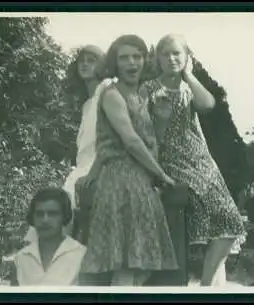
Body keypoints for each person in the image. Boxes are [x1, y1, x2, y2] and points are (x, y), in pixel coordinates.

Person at [138, 33, 247, 286]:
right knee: (190, 219)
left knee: (231, 221)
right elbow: (142, 131)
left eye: (177, 53)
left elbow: (208, 104)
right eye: (166, 54)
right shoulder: (149, 88)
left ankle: (206, 286)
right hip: (170, 160)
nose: (171, 58)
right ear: (158, 58)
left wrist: (188, 74)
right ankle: (195, 283)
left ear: (187, 57)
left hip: (201, 160)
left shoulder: (189, 87)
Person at [76, 34, 179, 286]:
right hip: (122, 182)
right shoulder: (112, 95)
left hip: (141, 181)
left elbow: (150, 141)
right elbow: (130, 141)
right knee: (128, 264)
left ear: (146, 60)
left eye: (137, 56)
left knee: (141, 264)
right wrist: (162, 175)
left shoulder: (143, 92)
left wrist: (163, 120)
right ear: (115, 63)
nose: (132, 63)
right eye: (124, 58)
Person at [23, 45, 114, 244]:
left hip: (99, 165)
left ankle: (46, 257)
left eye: (92, 60)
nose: (85, 64)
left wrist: (93, 172)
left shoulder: (107, 88)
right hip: (82, 168)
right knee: (56, 207)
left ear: (104, 66)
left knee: (61, 207)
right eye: (82, 60)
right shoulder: (87, 104)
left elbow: (110, 139)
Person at [10, 188, 86, 286]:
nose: (45, 220)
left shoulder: (81, 255)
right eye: (39, 214)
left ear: (64, 216)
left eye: (52, 214)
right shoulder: (21, 259)